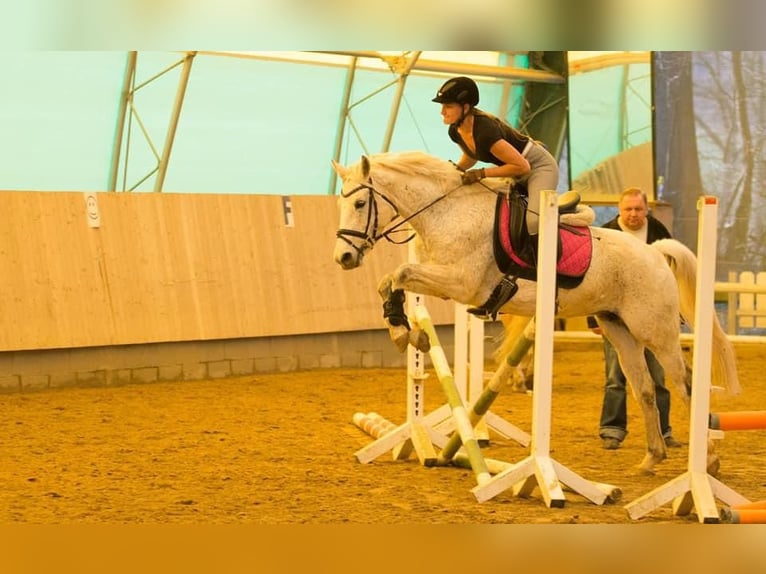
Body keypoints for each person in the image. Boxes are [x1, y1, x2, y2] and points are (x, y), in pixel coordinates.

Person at [589, 187, 683, 450]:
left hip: (653, 315)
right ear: (619, 210)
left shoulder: (659, 233)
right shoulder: (605, 233)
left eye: (638, 209)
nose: (633, 214)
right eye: (628, 209)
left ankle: (664, 431)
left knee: (658, 376)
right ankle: (613, 429)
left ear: (646, 210)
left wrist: (676, 311)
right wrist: (593, 319)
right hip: (613, 313)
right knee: (615, 377)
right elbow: (590, 278)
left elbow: (671, 276)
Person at [431, 76, 561, 239]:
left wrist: (481, 174)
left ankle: (546, 262)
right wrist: (456, 170)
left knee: (533, 222)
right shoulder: (455, 131)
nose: (442, 111)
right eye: (443, 106)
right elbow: (472, 156)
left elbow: (523, 166)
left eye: (448, 106)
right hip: (515, 173)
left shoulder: (485, 131)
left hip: (539, 168)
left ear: (465, 107)